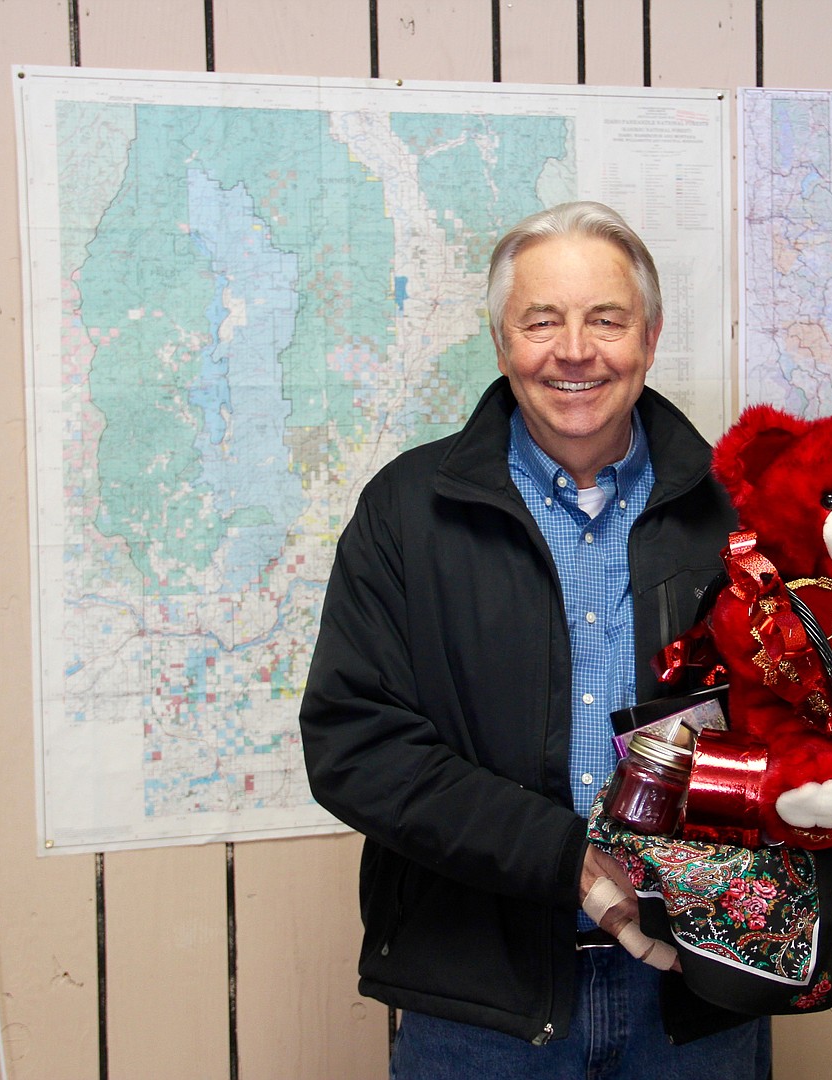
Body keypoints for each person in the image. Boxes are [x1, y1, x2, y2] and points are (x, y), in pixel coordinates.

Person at [299, 201, 771, 1078]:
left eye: (607, 319)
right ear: (500, 340)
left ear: (651, 338)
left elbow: (795, 734)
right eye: (541, 320)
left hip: (696, 1006)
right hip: (481, 1015)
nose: (575, 351)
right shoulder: (406, 513)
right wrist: (571, 862)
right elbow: (353, 745)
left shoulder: (738, 516)